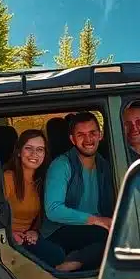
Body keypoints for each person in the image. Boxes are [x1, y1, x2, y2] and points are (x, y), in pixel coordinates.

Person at [2, 129, 85, 272]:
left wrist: (35, 231)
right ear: (19, 152)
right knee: (56, 255)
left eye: (40, 150)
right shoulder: (8, 178)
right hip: (6, 239)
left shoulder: (41, 181)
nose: (34, 154)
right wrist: (10, 233)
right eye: (29, 148)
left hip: (27, 236)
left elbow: (42, 215)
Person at [42, 112, 114, 270]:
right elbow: (53, 210)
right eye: (81, 135)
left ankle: (76, 261)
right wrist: (98, 220)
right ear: (72, 139)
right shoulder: (62, 165)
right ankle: (70, 265)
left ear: (100, 135)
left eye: (92, 133)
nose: (88, 140)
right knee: (109, 236)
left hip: (92, 230)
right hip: (60, 230)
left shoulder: (107, 166)